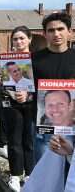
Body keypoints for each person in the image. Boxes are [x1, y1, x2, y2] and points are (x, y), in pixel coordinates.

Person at [0, 26, 34, 192]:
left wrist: (29, 95)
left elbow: (40, 84)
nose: (18, 42)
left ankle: (30, 173)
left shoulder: (36, 58)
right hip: (11, 103)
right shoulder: (5, 59)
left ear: (29, 39)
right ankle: (15, 175)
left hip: (31, 104)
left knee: (29, 140)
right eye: (15, 39)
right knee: (14, 140)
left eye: (22, 38)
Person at [32, 12, 75, 163]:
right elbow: (29, 90)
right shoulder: (34, 59)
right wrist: (24, 95)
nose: (56, 33)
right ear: (44, 34)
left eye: (60, 29)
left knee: (70, 174)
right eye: (51, 30)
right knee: (44, 170)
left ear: (69, 32)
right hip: (44, 126)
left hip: (72, 125)